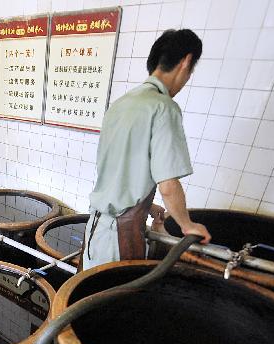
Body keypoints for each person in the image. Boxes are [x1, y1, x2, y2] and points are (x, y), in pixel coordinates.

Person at [83, 28, 211, 270]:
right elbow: (168, 185)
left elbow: (117, 172)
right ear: (186, 62)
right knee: (117, 303)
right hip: (120, 239)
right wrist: (186, 225)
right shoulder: (163, 107)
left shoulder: (120, 105)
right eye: (191, 70)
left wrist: (145, 205)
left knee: (89, 297)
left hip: (95, 231)